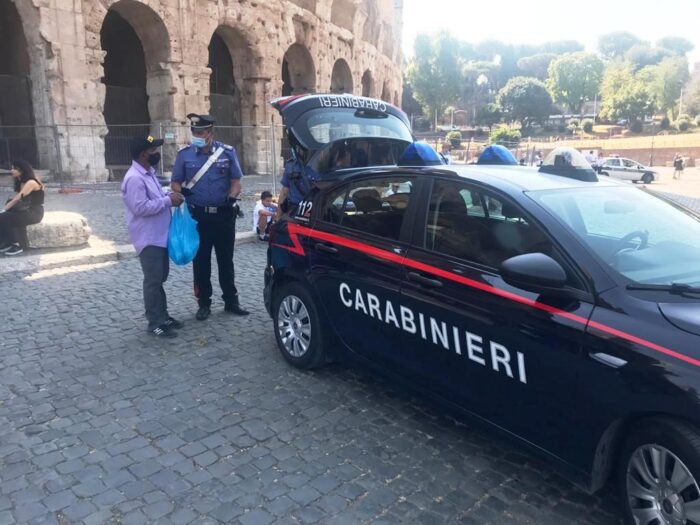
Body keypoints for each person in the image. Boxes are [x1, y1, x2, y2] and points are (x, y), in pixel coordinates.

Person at [171, 114, 249, 321]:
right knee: (201, 261)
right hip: (198, 217)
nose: (197, 135)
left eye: (201, 132)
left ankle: (231, 301)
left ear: (210, 133)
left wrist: (233, 198)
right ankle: (203, 303)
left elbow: (235, 180)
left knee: (226, 260)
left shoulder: (227, 153)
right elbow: (175, 182)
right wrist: (181, 192)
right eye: (194, 132)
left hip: (224, 214)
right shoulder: (184, 155)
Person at [122, 135, 184, 338]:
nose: (157, 154)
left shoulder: (148, 174)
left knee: (160, 278)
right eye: (153, 150)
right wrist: (168, 202)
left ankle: (163, 316)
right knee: (153, 280)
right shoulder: (134, 178)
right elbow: (140, 207)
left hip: (160, 235)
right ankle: (155, 322)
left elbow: (156, 199)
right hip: (148, 238)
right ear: (143, 154)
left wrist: (169, 197)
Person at [0, 159, 45, 256]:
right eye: (12, 168)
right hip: (25, 210)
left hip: (34, 213)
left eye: (15, 169)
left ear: (22, 170)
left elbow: (18, 198)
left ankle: (15, 244)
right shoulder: (21, 182)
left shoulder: (31, 182)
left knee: (4, 217)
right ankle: (4, 243)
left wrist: (4, 209)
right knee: (5, 216)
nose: (12, 170)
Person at [277, 136, 320, 217]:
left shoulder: (291, 165)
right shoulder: (319, 166)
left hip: (293, 212)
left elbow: (284, 193)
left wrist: (278, 217)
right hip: (314, 213)